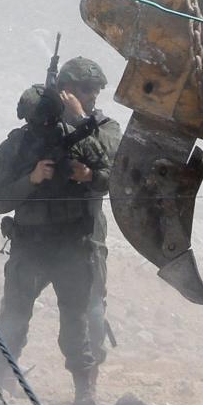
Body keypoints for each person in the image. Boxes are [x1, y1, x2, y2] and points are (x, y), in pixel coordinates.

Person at [0, 84, 111, 405]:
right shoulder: (15, 147)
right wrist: (32, 179)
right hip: (30, 247)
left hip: (71, 246)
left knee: (76, 321)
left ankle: (85, 394)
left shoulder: (80, 138)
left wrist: (89, 175)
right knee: (14, 317)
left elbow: (111, 177)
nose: (43, 127)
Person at [56, 57, 121, 373]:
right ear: (65, 89)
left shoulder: (106, 127)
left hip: (86, 231)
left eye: (96, 90)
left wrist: (83, 120)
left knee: (92, 308)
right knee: (17, 310)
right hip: (43, 230)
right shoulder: (45, 124)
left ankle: (88, 382)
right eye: (84, 89)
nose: (92, 95)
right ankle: (0, 379)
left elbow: (110, 167)